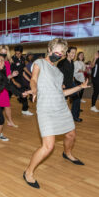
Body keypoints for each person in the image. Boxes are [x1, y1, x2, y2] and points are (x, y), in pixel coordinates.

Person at [23, 38, 89, 189]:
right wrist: (34, 89)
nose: (59, 54)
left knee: (71, 135)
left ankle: (67, 153)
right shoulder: (39, 63)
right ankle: (28, 172)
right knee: (48, 146)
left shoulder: (58, 72)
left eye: (62, 53)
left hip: (61, 107)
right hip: (46, 109)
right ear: (49, 49)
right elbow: (33, 79)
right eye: (57, 51)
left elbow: (62, 92)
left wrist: (80, 87)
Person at [57, 47, 82, 122]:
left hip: (71, 83)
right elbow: (57, 75)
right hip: (63, 85)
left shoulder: (72, 63)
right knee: (62, 103)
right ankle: (59, 118)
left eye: (75, 53)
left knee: (77, 99)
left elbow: (71, 75)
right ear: (68, 53)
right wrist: (61, 84)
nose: (74, 54)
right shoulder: (61, 63)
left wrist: (74, 83)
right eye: (72, 52)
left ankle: (74, 116)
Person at [10, 45, 34, 116]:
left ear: (21, 53)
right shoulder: (12, 60)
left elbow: (23, 71)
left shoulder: (23, 59)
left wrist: (30, 77)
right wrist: (14, 82)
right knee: (7, 96)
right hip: (12, 80)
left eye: (19, 53)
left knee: (24, 94)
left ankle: (25, 110)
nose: (17, 55)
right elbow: (9, 72)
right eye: (16, 53)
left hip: (20, 81)